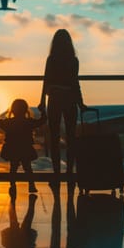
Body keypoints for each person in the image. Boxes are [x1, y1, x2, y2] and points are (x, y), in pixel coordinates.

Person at [38, 29, 87, 182]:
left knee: (54, 137)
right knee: (71, 137)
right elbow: (75, 83)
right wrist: (80, 102)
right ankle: (70, 172)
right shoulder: (73, 60)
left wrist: (42, 101)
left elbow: (46, 81)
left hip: (55, 98)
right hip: (70, 98)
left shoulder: (51, 59)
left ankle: (56, 173)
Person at [0, 99, 47, 196]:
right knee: (28, 167)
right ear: (26, 110)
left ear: (12, 110)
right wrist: (43, 111)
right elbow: (41, 121)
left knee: (13, 168)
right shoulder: (28, 122)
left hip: (12, 148)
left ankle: (13, 185)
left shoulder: (8, 122)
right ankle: (31, 185)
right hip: (25, 148)